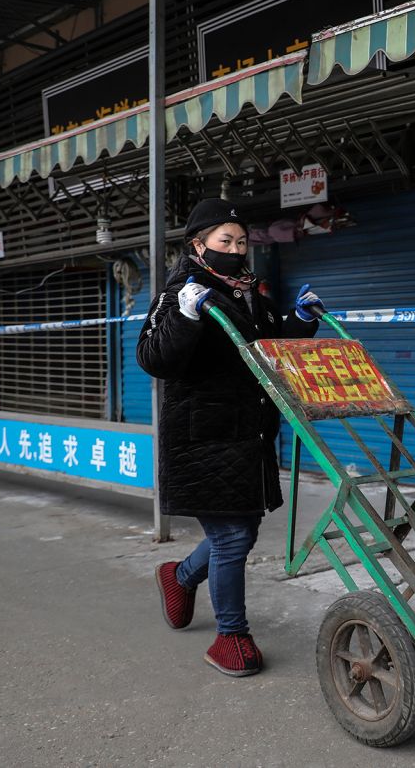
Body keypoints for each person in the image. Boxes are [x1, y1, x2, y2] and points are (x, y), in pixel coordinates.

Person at [138, 198, 324, 677]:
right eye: (225, 241)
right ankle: (231, 636)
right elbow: (154, 358)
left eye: (241, 241)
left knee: (239, 531)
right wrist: (185, 317)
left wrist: (300, 322)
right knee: (232, 536)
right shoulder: (179, 293)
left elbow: (269, 346)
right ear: (198, 244)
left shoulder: (246, 293)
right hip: (201, 436)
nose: (236, 249)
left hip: (248, 432)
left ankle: (179, 576)